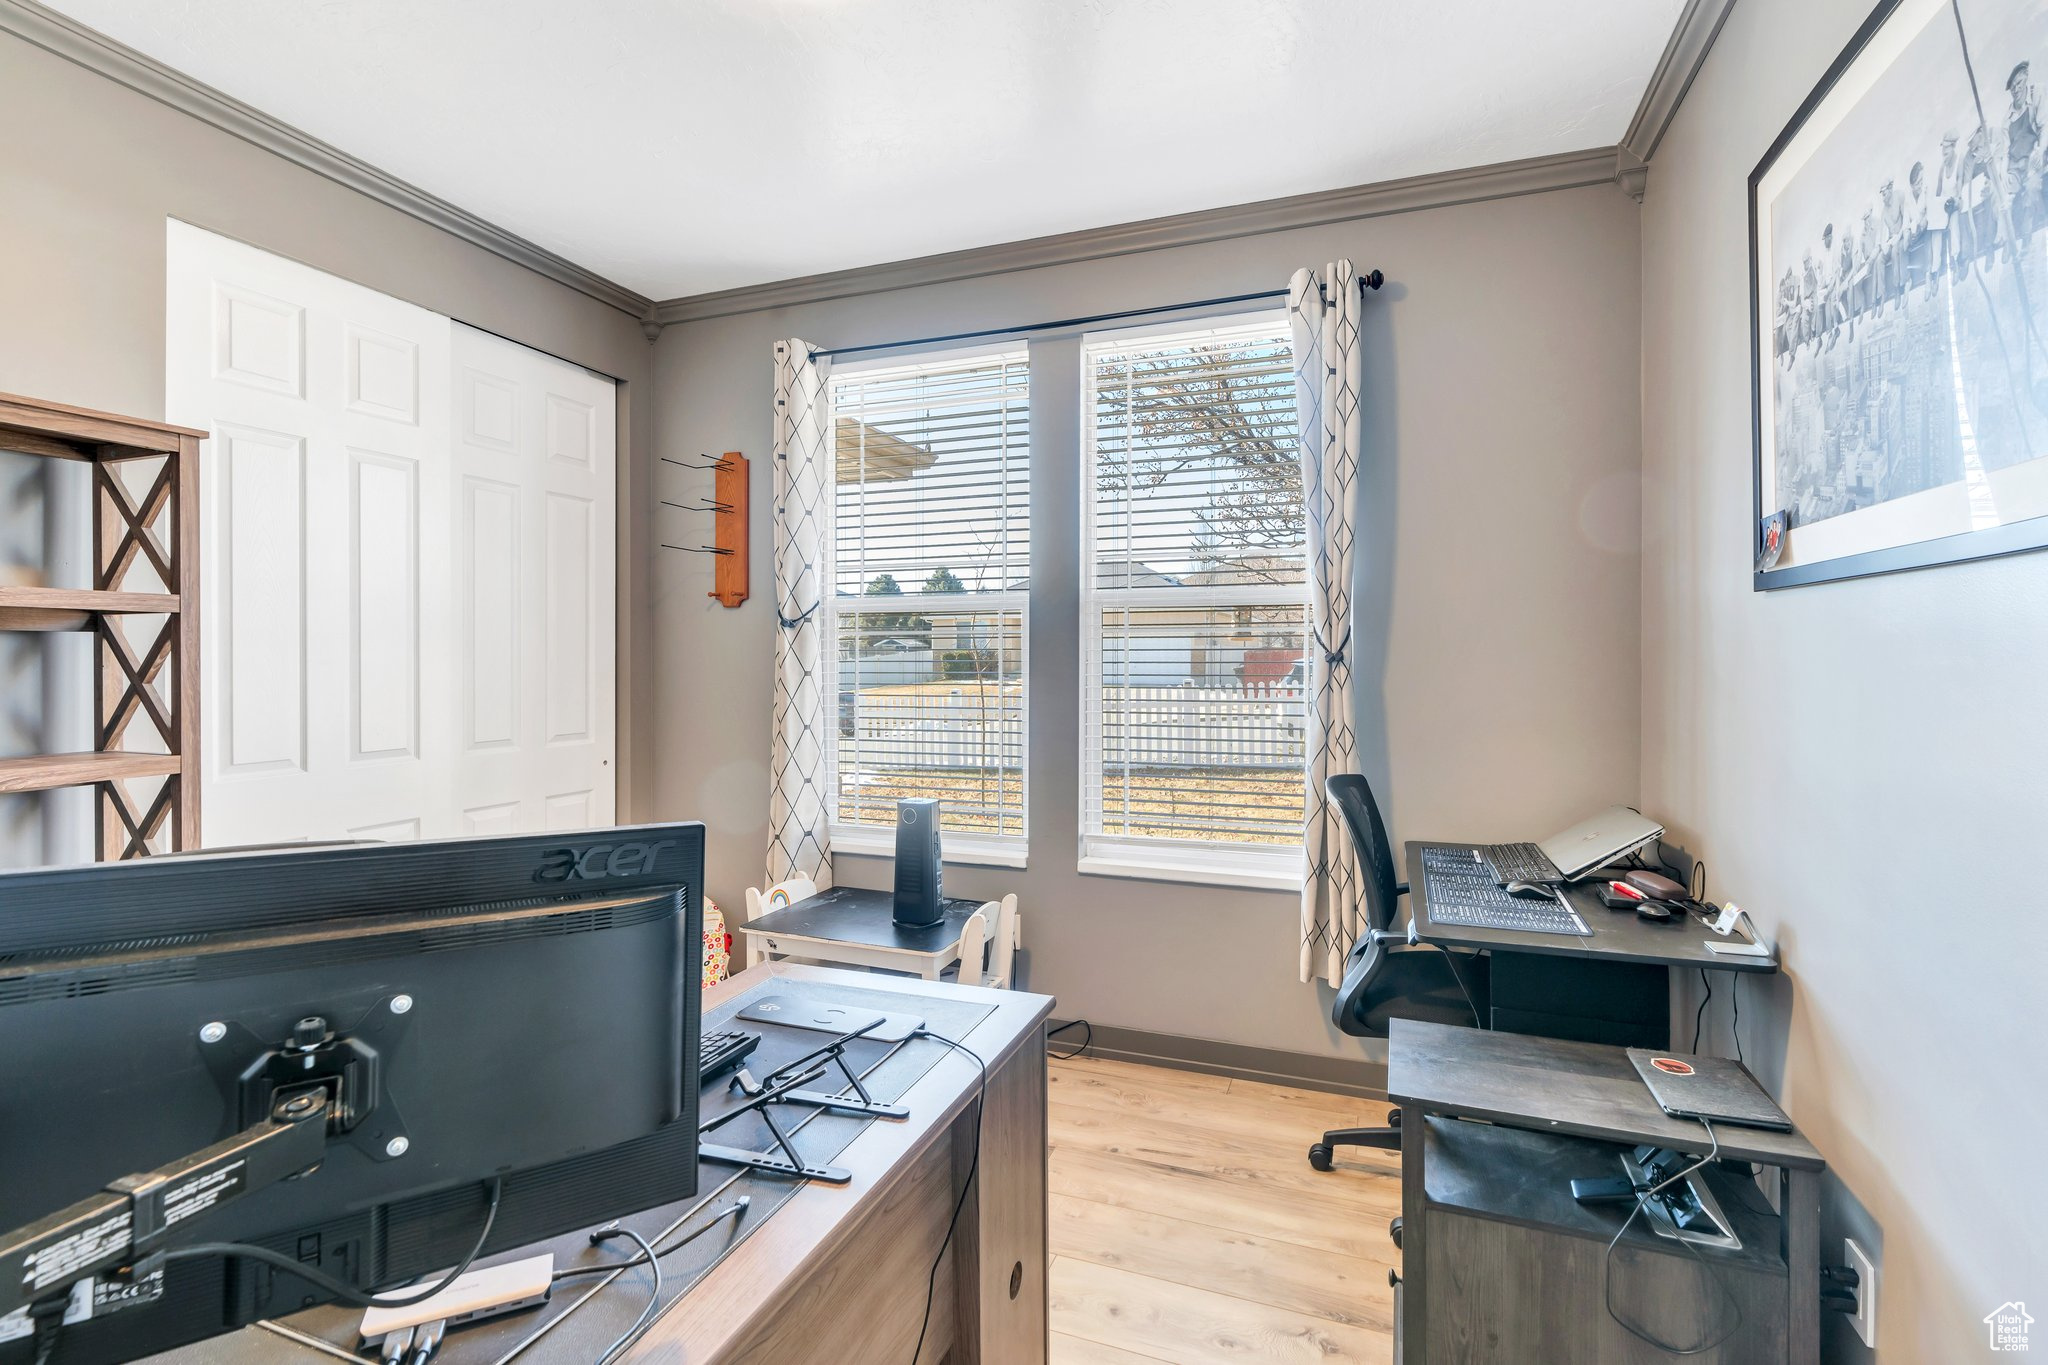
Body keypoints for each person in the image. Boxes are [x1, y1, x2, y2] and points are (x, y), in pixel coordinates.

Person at [2007, 61, 2042, 247]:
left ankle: (2028, 239)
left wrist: (2040, 149)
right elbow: (2006, 149)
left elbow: (2045, 127)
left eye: (2019, 84)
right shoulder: (2009, 116)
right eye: (2013, 87)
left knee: (2032, 187)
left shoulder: (2037, 96)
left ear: (2026, 78)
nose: (2016, 89)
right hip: (2014, 167)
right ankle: (2007, 242)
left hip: (2033, 159)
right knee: (2004, 196)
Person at [1934, 132, 1963, 277]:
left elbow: (1959, 189)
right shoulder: (1941, 168)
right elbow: (1938, 194)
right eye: (1942, 148)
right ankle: (1935, 268)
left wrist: (1953, 202)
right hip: (1944, 207)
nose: (1944, 152)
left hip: (1956, 204)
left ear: (1953, 146)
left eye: (1947, 148)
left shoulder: (1959, 161)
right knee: (1934, 229)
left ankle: (1955, 259)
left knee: (1954, 221)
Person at [1905, 161, 1935, 292]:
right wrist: (1908, 234)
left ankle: (1928, 274)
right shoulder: (1908, 199)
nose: (1920, 185)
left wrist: (1924, 221)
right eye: (1917, 183)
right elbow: (1906, 222)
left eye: (1921, 180)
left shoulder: (1926, 189)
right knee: (1904, 244)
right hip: (1915, 232)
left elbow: (1931, 211)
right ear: (1911, 186)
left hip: (1926, 227)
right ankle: (1908, 280)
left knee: (1928, 234)